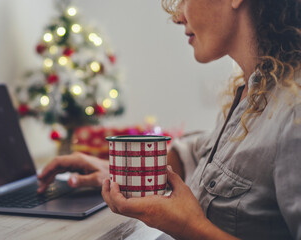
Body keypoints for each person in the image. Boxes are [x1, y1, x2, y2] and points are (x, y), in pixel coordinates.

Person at [38, 0, 301, 239]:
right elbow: (202, 153)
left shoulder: (294, 111)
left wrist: (189, 227)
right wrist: (121, 170)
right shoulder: (251, 94)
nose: (177, 16)